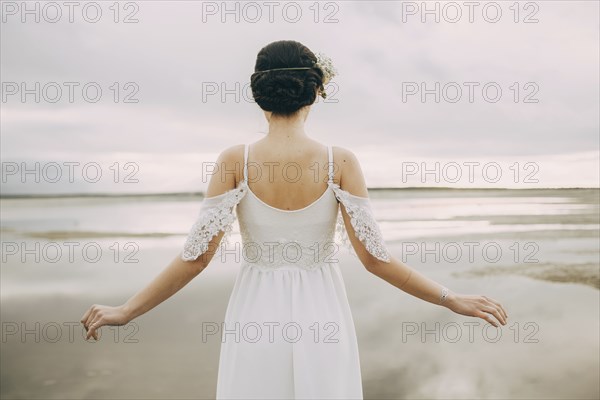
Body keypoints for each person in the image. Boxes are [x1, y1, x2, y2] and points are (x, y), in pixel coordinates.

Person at [81, 40, 508, 399]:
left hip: (255, 312)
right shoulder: (339, 161)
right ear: (316, 90)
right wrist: (451, 298)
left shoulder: (235, 160)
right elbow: (376, 261)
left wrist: (127, 311)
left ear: (257, 94)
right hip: (323, 312)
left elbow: (195, 258)